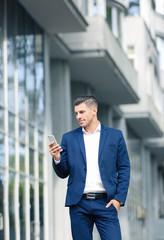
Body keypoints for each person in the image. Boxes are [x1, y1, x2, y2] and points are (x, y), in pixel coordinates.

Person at [49, 95, 130, 240]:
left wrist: (118, 199)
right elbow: (63, 172)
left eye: (82, 112)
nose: (78, 116)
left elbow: (124, 168)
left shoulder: (115, 136)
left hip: (106, 203)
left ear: (94, 110)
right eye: (76, 113)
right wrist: (57, 159)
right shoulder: (69, 138)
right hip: (79, 204)